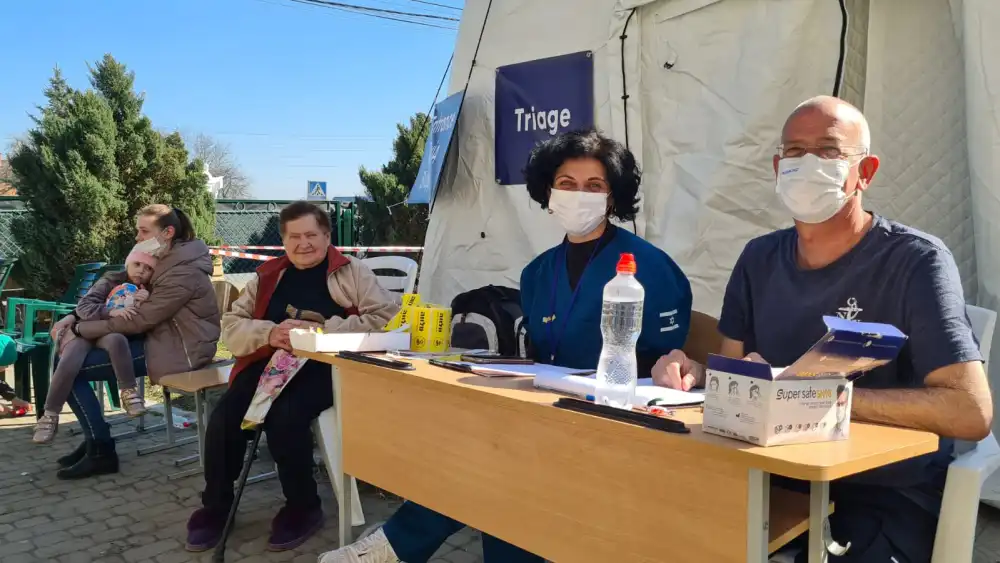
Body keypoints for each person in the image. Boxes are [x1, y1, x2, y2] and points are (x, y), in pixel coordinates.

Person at [320, 129, 693, 563]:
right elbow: (539, 354)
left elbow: (666, 366)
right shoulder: (537, 273)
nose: (579, 196)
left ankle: (395, 546)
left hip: (614, 426)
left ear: (614, 197)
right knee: (482, 453)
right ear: (548, 192)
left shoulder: (649, 266)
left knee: (495, 469)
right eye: (567, 184)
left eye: (595, 186)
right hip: (545, 415)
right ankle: (395, 546)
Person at [653, 96, 992, 562]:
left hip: (879, 495)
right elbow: (739, 376)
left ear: (865, 171)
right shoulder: (759, 259)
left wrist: (815, 398)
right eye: (794, 152)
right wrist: (695, 372)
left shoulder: (916, 262)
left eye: (829, 152)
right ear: (777, 167)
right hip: (767, 480)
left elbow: (970, 411)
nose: (807, 164)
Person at [184, 201, 400, 553]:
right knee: (225, 417)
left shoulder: (352, 272)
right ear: (283, 240)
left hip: (326, 364)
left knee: (286, 416)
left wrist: (323, 330)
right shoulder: (267, 275)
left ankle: (303, 506)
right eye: (294, 236)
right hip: (270, 361)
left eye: (312, 235)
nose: (304, 243)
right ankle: (216, 507)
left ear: (327, 236)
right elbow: (233, 327)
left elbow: (385, 318)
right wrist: (270, 334)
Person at [49, 205, 221, 480]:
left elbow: (139, 321)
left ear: (167, 233)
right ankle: (96, 438)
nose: (138, 237)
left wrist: (82, 328)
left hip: (179, 349)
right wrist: (73, 316)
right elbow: (119, 283)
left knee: (71, 370)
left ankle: (101, 449)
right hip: (155, 339)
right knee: (66, 360)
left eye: (144, 231)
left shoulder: (182, 271)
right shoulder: (160, 254)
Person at [33, 245, 157, 444]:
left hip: (109, 334)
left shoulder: (148, 291)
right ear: (128, 264)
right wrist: (109, 312)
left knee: (117, 341)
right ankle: (50, 415)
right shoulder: (110, 280)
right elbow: (84, 307)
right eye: (137, 264)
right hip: (87, 330)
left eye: (148, 268)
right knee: (69, 359)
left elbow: (144, 320)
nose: (141, 270)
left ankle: (129, 392)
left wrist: (146, 302)